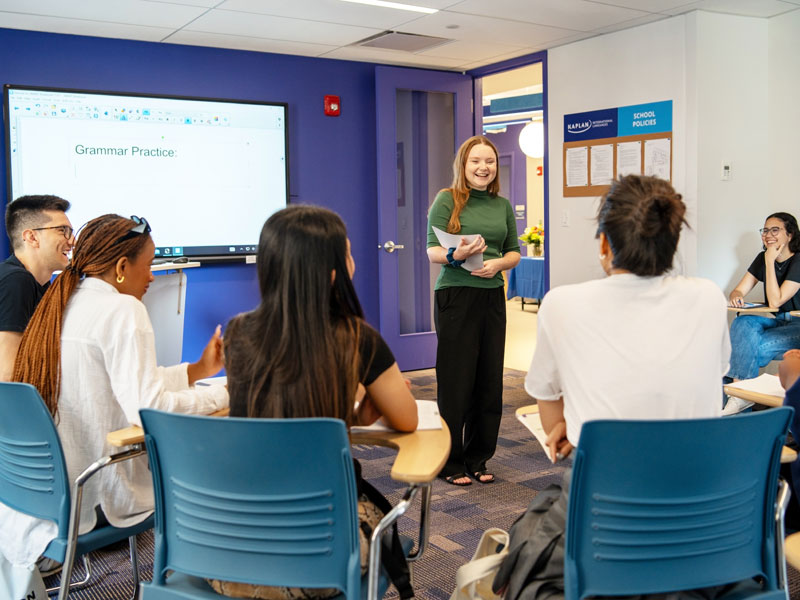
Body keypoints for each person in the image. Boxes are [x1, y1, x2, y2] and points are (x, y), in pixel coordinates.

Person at [493, 175, 730, 599]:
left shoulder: (562, 303)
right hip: (702, 517)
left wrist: (571, 424)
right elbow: (716, 373)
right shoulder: (711, 297)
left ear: (604, 244)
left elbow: (549, 408)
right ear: (672, 244)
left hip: (606, 513)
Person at [0, 214, 228, 570]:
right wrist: (228, 393)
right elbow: (150, 407)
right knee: (212, 473)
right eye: (149, 265)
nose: (152, 275)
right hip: (95, 498)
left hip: (40, 504)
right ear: (122, 266)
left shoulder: (62, 303)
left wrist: (197, 372)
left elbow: (119, 385)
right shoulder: (124, 309)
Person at [214, 205, 417, 599]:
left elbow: (280, 417)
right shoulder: (357, 338)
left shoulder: (238, 333)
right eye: (349, 252)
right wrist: (360, 412)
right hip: (318, 557)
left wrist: (353, 414)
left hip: (226, 551)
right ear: (332, 272)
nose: (354, 261)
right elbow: (407, 420)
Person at [426, 135, 520, 486]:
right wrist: (457, 255)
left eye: (490, 162)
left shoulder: (502, 205)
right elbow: (432, 249)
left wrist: (497, 265)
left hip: (491, 295)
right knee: (456, 380)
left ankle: (478, 458)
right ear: (463, 166)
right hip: (455, 295)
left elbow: (514, 252)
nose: (484, 167)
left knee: (488, 379)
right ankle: (450, 462)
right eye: (476, 162)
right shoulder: (446, 200)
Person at [724, 212, 800, 414]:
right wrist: (737, 296)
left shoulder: (798, 260)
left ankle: (738, 397)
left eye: (775, 230)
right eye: (765, 230)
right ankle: (740, 396)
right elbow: (738, 289)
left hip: (797, 326)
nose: (768, 234)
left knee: (735, 353)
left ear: (790, 234)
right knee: (743, 323)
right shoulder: (762, 257)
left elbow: (776, 300)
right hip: (777, 322)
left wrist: (769, 261)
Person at [0, 195, 73, 380]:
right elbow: (6, 375)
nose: (71, 241)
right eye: (62, 231)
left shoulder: (40, 285)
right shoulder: (17, 281)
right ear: (31, 237)